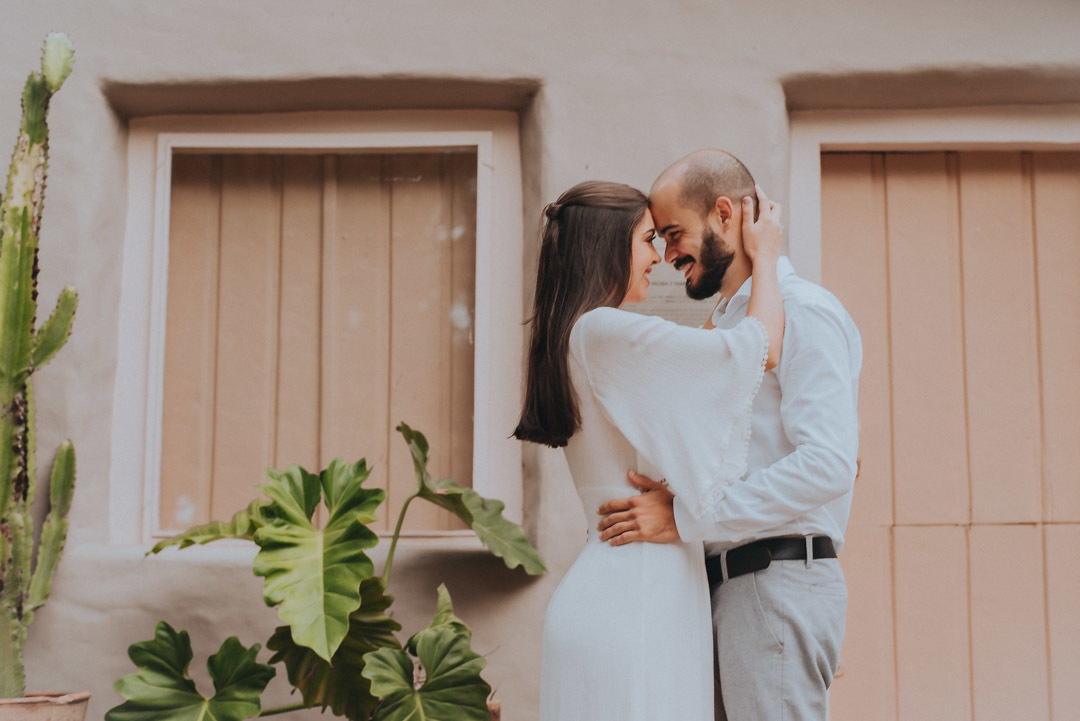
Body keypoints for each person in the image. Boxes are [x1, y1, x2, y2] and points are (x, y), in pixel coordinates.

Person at [596, 150, 862, 721]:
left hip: (774, 584)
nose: (667, 257)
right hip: (731, 591)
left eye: (674, 234)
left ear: (724, 214)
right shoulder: (733, 327)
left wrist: (687, 516)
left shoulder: (805, 312)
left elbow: (829, 464)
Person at [514, 178, 785, 721]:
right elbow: (758, 351)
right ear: (606, 246)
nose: (659, 258)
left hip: (623, 588)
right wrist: (767, 258)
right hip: (637, 598)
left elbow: (705, 361)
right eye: (646, 240)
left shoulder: (582, 335)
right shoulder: (604, 332)